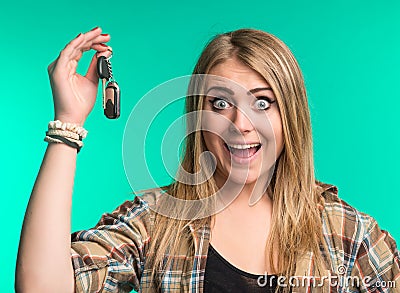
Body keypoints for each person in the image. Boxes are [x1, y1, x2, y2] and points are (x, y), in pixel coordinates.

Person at [15, 27, 399, 293]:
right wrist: (67, 123)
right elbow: (42, 286)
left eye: (262, 102)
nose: (240, 125)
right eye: (220, 104)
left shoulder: (345, 232)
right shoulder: (155, 222)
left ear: (290, 117)